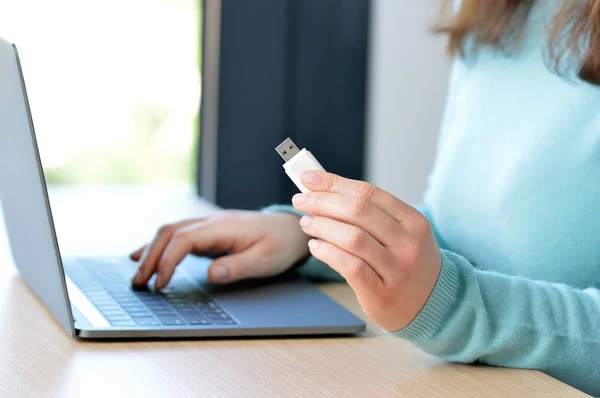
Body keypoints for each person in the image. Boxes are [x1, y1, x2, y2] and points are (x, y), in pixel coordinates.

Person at [130, 1, 600, 395]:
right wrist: (306, 239)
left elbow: (458, 288)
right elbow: (463, 232)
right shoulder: (492, 7)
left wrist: (453, 308)